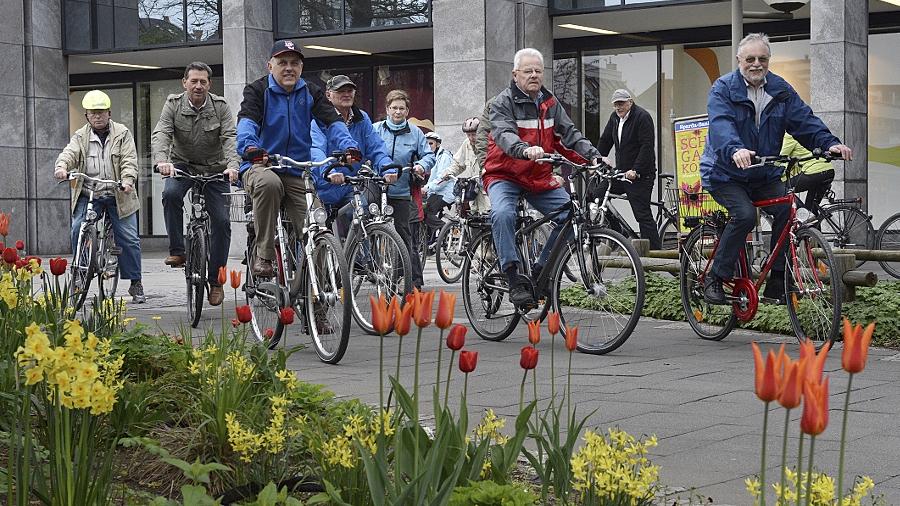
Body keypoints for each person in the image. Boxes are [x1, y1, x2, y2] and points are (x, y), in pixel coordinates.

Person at [700, 33, 852, 305]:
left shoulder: (780, 90)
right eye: (750, 59)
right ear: (739, 61)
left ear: (768, 60)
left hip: (762, 173)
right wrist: (735, 149)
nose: (756, 64)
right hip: (725, 173)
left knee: (788, 211)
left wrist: (829, 144)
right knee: (745, 216)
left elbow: (805, 121)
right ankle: (716, 278)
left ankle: (777, 281)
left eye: (762, 59)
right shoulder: (722, 88)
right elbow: (721, 125)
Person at [485, 48, 601, 308]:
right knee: (503, 214)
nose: (534, 75)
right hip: (504, 174)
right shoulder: (502, 103)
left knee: (571, 215)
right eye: (528, 71)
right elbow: (504, 135)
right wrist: (524, 150)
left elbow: (569, 135)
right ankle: (513, 277)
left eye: (538, 70)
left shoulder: (550, 103)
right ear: (516, 75)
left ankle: (541, 269)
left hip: (538, 177)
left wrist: (594, 157)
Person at [236, 40, 360, 280]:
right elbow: (246, 123)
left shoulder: (311, 92)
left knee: (318, 228)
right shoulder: (257, 90)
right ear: (270, 66)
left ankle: (318, 303)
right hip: (261, 164)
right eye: (282, 63)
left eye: (295, 63)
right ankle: (263, 254)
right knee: (269, 183)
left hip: (296, 171)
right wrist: (250, 147)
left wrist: (349, 147)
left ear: (301, 67)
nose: (289, 68)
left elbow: (333, 122)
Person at [151, 61, 239, 307]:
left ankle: (216, 281)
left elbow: (230, 137)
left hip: (215, 168)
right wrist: (162, 161)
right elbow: (162, 134)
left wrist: (232, 166)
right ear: (184, 83)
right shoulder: (173, 104)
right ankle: (178, 251)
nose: (198, 86)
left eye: (203, 82)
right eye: (194, 81)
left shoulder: (220, 107)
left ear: (209, 84)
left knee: (221, 221)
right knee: (170, 194)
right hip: (182, 165)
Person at [54, 90, 146, 303]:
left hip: (118, 193)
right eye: (93, 113)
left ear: (109, 113)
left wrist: (128, 180)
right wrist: (62, 167)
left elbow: (129, 161)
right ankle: (80, 271)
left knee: (129, 238)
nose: (97, 116)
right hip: (90, 193)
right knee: (78, 228)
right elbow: (70, 153)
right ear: (87, 115)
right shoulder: (81, 136)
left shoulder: (122, 133)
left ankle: (135, 283)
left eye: (101, 112)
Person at [310, 75, 397, 239]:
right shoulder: (319, 118)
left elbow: (376, 147)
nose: (346, 94)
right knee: (316, 232)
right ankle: (312, 263)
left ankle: (360, 263)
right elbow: (316, 148)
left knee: (361, 215)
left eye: (349, 90)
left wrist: (387, 168)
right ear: (328, 95)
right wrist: (327, 172)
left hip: (349, 184)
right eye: (340, 91)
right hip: (322, 185)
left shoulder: (361, 118)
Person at [373, 89, 436, 290]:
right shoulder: (376, 129)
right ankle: (369, 265)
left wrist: (421, 166)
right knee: (368, 227)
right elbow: (366, 149)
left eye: (401, 108)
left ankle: (413, 281)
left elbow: (429, 156)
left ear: (407, 110)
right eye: (393, 108)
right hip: (376, 188)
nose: (397, 112)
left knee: (404, 236)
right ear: (387, 109)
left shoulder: (415, 132)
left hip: (401, 191)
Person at [596, 89, 661, 249]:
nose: (618, 107)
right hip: (621, 173)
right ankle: (618, 234)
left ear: (630, 102)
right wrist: (596, 160)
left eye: (622, 103)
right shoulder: (614, 118)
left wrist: (636, 170)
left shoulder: (642, 117)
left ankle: (655, 256)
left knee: (642, 215)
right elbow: (605, 140)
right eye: (616, 104)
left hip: (640, 175)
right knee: (597, 196)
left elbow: (646, 146)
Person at [781, 132, 835, 216]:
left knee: (782, 189)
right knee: (811, 211)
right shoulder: (808, 133)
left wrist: (773, 175)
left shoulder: (790, 135)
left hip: (814, 172)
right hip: (828, 171)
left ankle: (802, 213)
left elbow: (780, 159)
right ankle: (811, 225)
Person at [444, 117, 491, 213]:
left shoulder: (490, 143)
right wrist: (448, 173)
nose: (471, 138)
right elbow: (458, 164)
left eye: (474, 135)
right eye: (468, 135)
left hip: (488, 191)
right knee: (472, 219)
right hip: (474, 192)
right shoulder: (466, 144)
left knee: (490, 219)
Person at [422, 131, 455, 249]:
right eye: (426, 144)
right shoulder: (431, 157)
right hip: (436, 192)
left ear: (437, 144)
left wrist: (427, 188)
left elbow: (442, 178)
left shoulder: (444, 157)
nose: (428, 146)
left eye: (431, 143)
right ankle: (430, 243)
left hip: (446, 193)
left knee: (425, 211)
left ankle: (444, 228)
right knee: (422, 209)